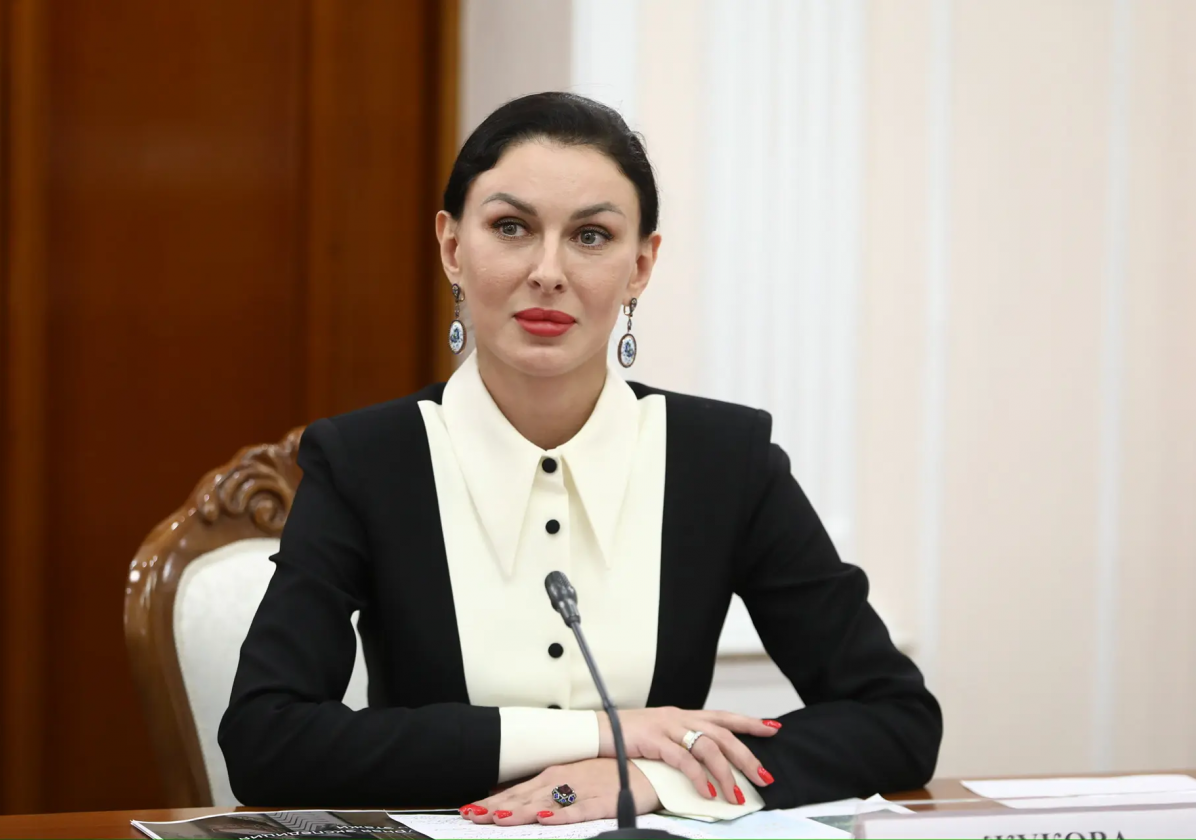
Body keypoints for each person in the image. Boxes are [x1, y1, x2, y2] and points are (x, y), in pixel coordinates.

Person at [220, 91, 941, 827]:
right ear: (452, 248)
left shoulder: (725, 462)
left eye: (591, 236)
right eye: (511, 227)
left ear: (641, 265)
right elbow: (266, 740)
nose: (548, 271)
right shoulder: (366, 462)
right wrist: (605, 737)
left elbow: (895, 718)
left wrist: (656, 779)